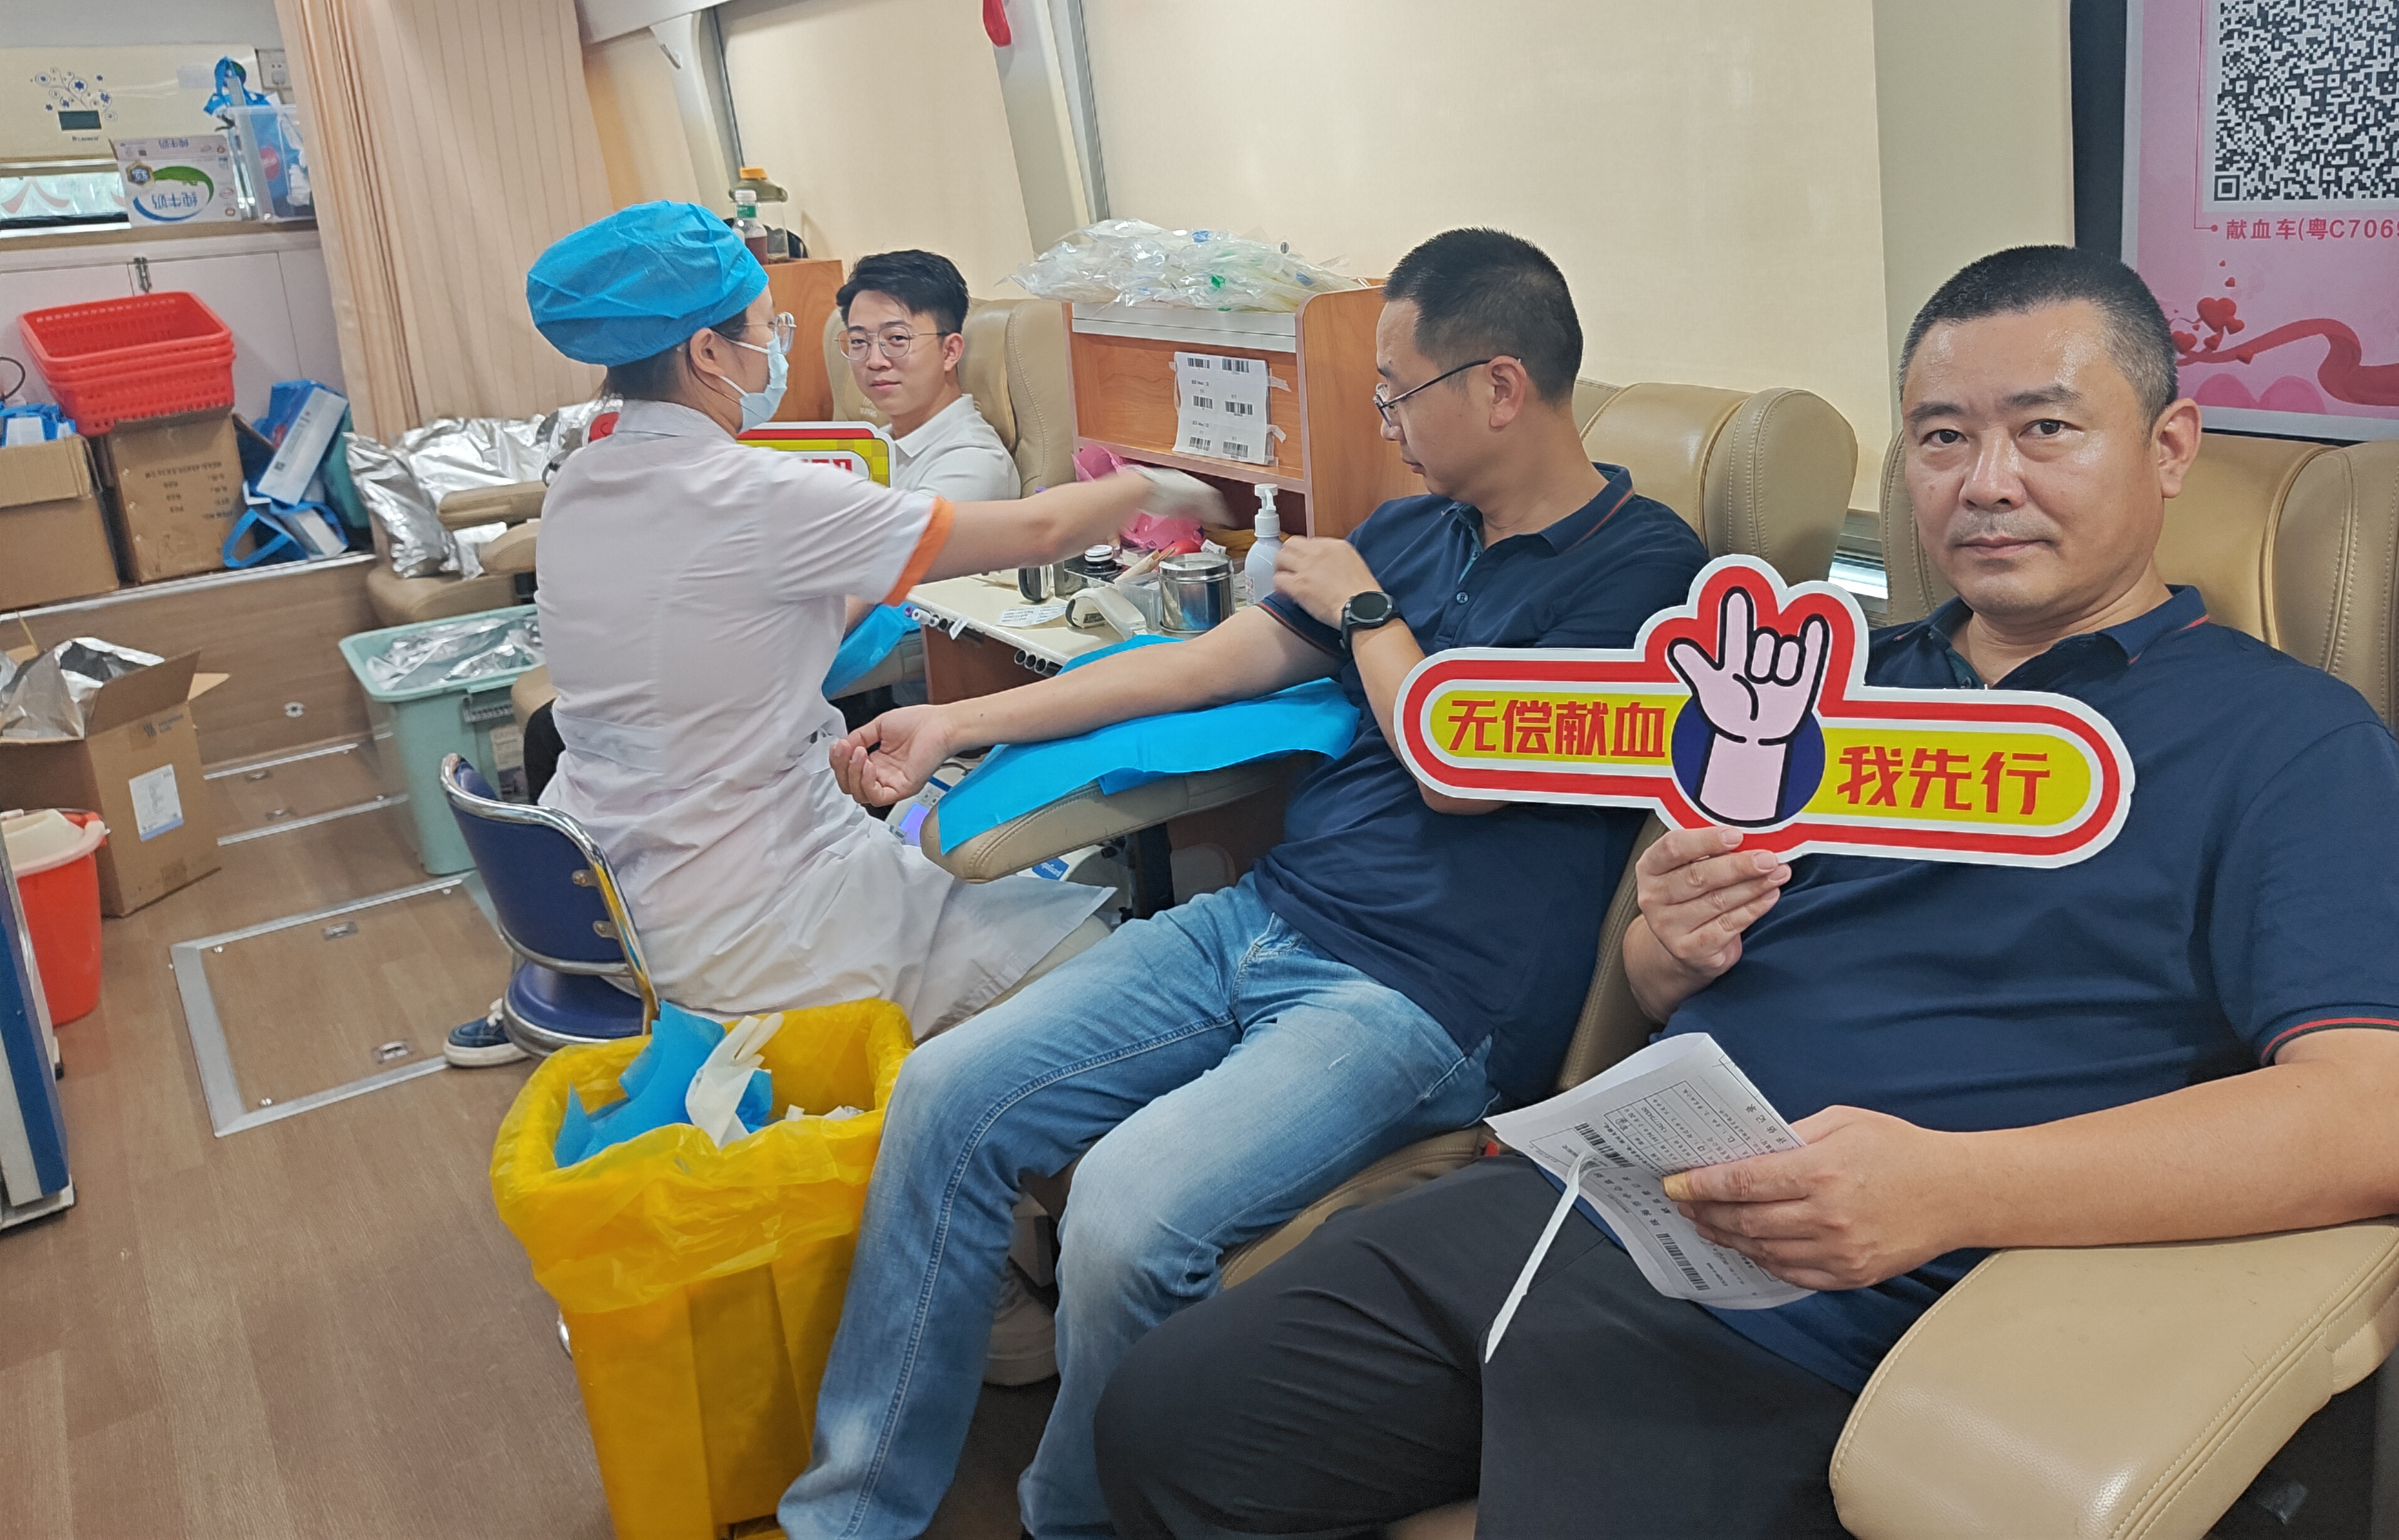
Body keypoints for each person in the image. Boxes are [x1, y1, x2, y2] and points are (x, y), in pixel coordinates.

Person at [1092, 246, 2399, 1540]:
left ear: (2169, 448)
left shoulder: (2288, 739)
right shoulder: (1821, 684)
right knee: (1167, 1421)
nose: (1987, 484)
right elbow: (1656, 984)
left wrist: (1951, 1191)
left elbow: (2377, 1120)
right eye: (1941, 438)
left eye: (2047, 430)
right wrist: (1666, 951)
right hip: (1614, 1201)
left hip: (1874, 1303)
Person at [776, 229, 1711, 1540]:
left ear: (1500, 387)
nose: (1385, 425)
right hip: (1264, 920)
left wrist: (1371, 611)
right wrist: (964, 723)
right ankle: (850, 1514)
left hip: (1427, 996)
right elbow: (1203, 665)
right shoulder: (1414, 531)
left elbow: (1468, 774)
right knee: (941, 1100)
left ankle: (1077, 1521)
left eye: (1399, 393)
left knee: (1125, 1216)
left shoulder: (1650, 574)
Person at [445, 201, 1217, 1060]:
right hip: (744, 912)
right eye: (764, 329)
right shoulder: (754, 494)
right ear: (707, 353)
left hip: (610, 883)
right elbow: (1040, 532)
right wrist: (1158, 485)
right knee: (1098, 959)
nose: (777, 349)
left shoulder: (584, 478)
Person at [836, 248, 1020, 503]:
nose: (875, 361)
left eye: (897, 338)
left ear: (950, 351)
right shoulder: (877, 445)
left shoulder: (974, 462)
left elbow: (896, 530)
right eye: (858, 341)